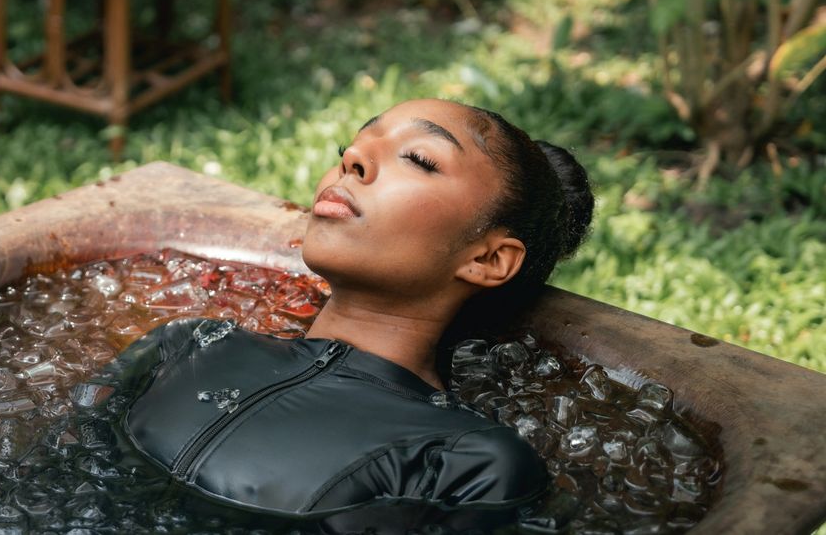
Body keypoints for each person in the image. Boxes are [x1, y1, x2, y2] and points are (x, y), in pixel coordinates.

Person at [83, 99, 595, 533]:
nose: (353, 158)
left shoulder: (467, 461)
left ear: (488, 259)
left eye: (419, 158)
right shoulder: (186, 345)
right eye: (350, 147)